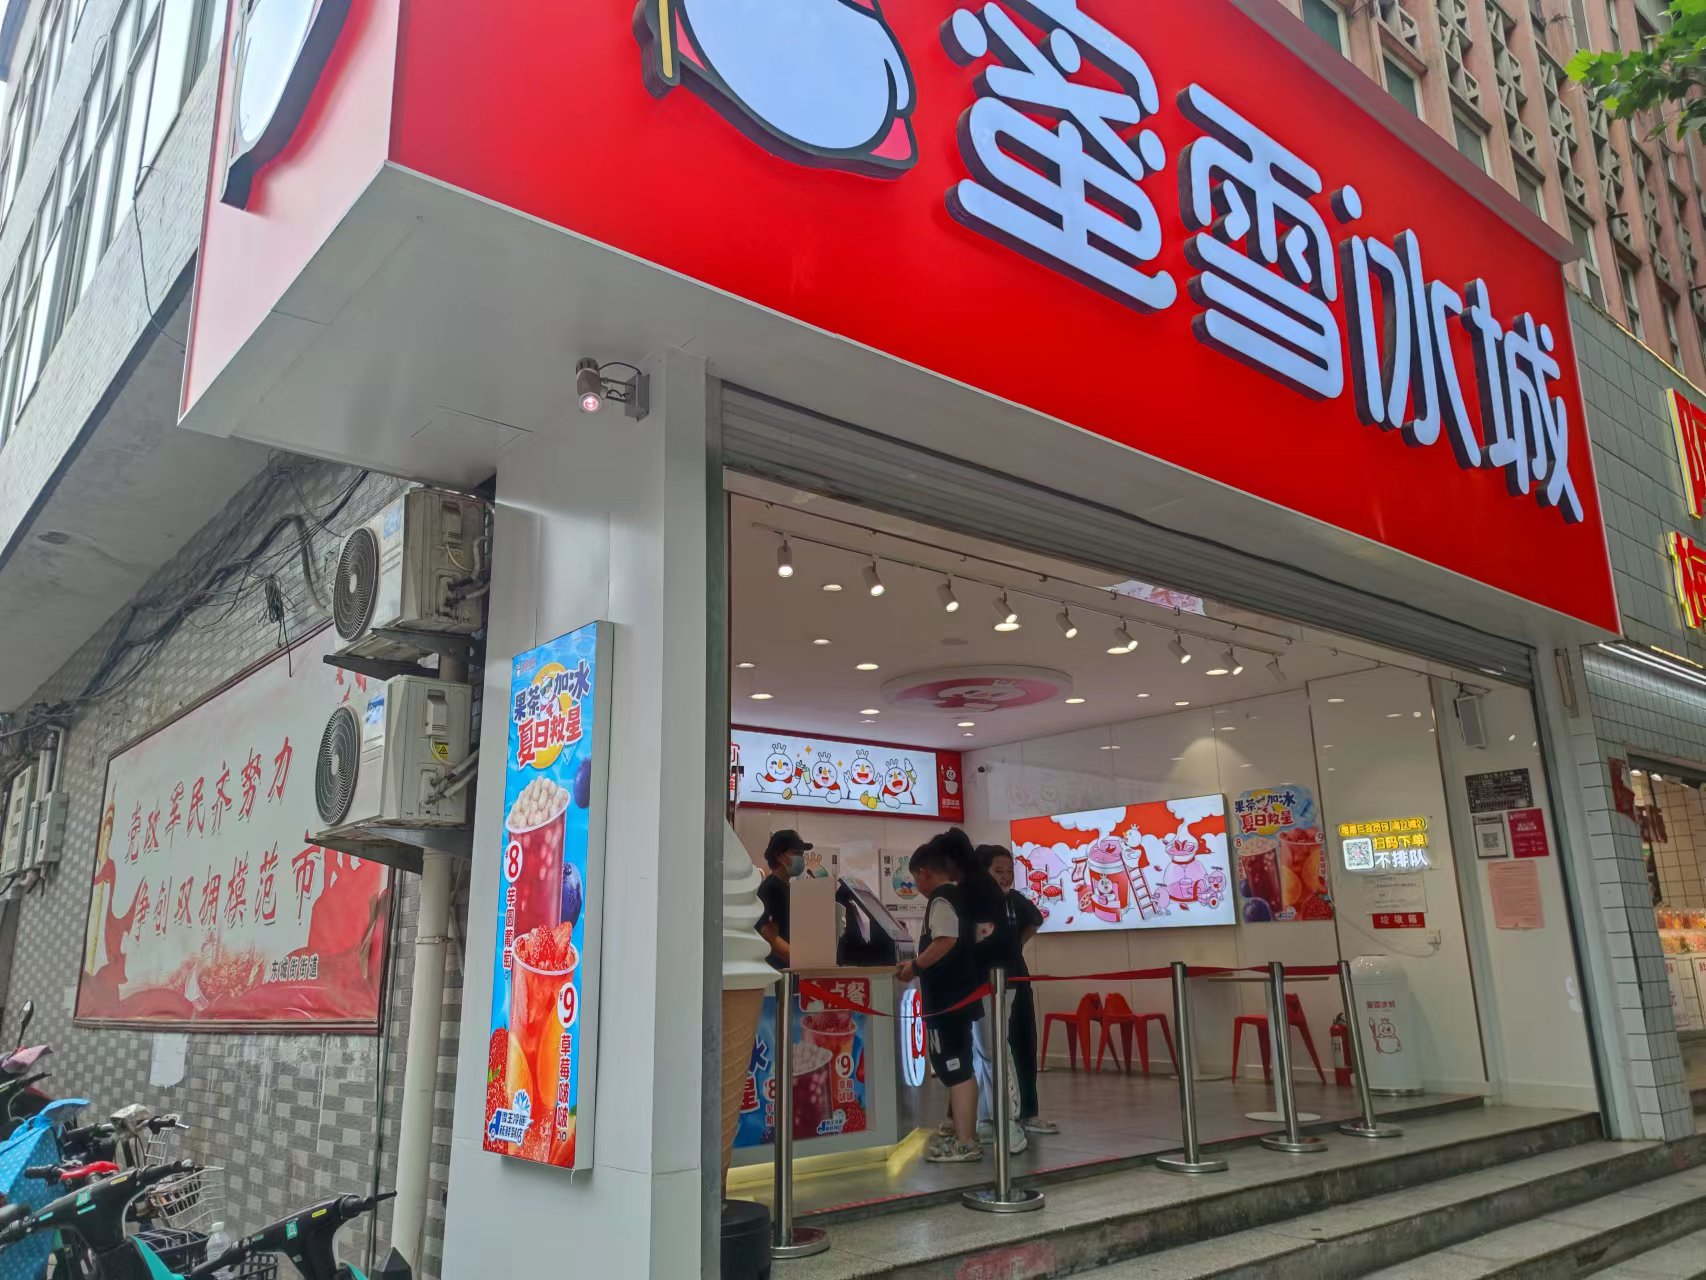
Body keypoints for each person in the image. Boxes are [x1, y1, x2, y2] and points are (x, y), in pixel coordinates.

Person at [931, 830, 1028, 1155]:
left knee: (994, 1051)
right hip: (982, 984)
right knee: (983, 1052)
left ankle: (1010, 1124)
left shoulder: (973, 887)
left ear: (951, 861)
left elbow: (970, 938)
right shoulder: (974, 884)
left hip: (995, 981)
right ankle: (988, 1120)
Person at [896, 839, 983, 1162]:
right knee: (960, 1067)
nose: (916, 886)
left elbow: (946, 939)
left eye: (914, 879)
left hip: (948, 1001)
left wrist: (916, 965)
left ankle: (965, 1143)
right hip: (960, 997)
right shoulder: (961, 897)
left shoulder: (942, 898)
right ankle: (960, 1131)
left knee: (956, 1070)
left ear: (923, 872)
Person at [981, 844, 1058, 1135]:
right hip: (987, 984)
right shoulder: (975, 903)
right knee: (991, 1051)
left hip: (1018, 979)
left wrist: (1017, 946)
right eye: (998, 870)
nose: (1005, 876)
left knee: (1024, 1042)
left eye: (1009, 871)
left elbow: (1035, 920)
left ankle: (1028, 1113)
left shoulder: (1015, 900)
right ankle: (990, 1117)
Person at [755, 830, 810, 969]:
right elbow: (768, 934)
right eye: (796, 853)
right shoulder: (771, 888)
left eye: (802, 854)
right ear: (779, 856)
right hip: (778, 970)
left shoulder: (788, 888)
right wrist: (799, 959)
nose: (801, 858)